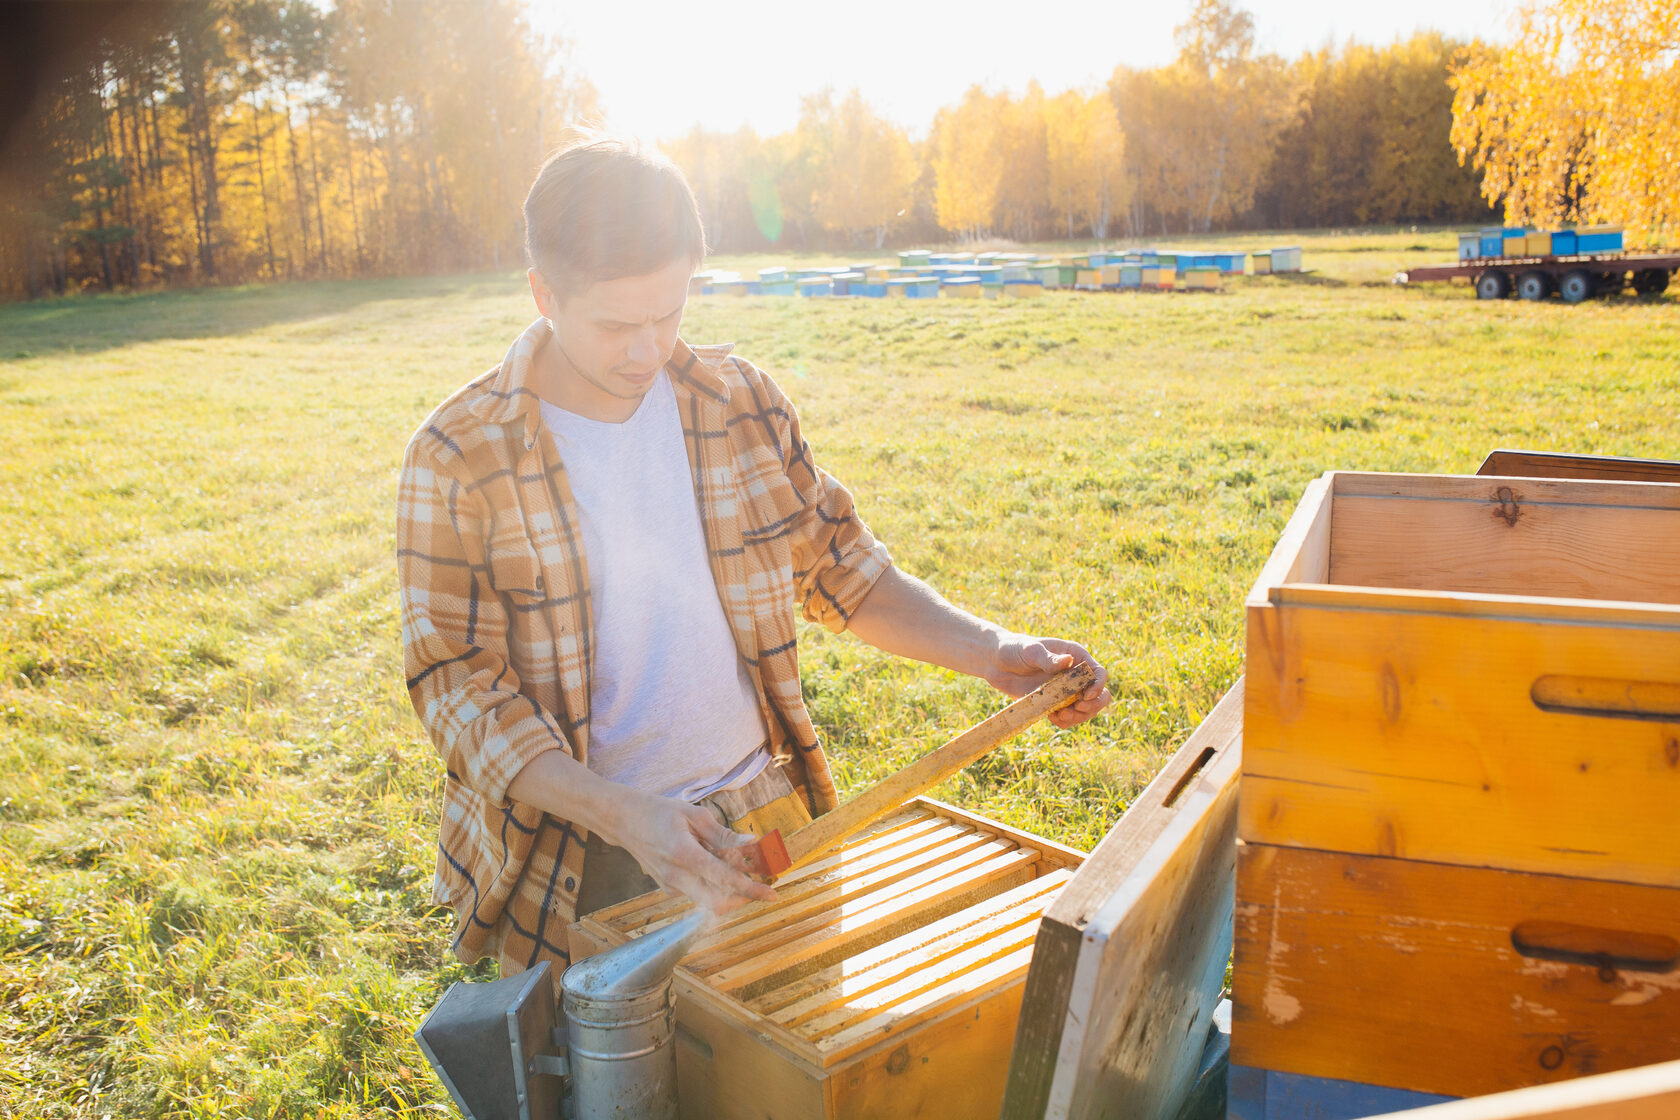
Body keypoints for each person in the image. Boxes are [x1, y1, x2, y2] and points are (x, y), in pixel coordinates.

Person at [396, 134, 1110, 982]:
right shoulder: (457, 454)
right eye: (616, 324)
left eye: (669, 312)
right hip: (583, 851)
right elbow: (456, 687)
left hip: (763, 810)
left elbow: (841, 566)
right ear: (543, 292)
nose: (646, 349)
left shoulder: (739, 403)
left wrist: (992, 650)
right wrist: (629, 817)